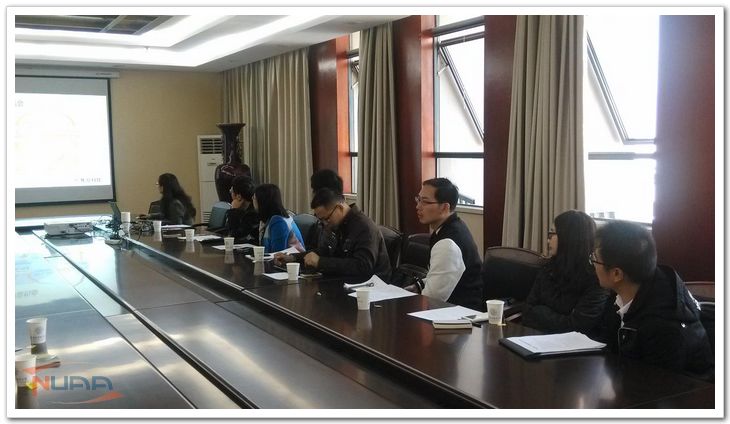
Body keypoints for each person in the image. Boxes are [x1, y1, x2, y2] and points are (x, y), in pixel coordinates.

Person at [592, 220, 713, 378]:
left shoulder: (663, 325)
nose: (592, 264)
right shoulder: (622, 293)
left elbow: (657, 385)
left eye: (595, 258)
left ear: (616, 274)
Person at [521, 210, 610, 335]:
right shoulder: (548, 268)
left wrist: (541, 311)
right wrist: (559, 318)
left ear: (569, 238)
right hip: (535, 338)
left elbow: (577, 327)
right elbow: (527, 312)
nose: (548, 240)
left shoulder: (596, 279)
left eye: (553, 234)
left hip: (574, 345)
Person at [274, 188, 391, 281]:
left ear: (339, 208)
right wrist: (293, 258)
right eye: (321, 220)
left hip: (369, 288)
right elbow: (325, 252)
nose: (325, 224)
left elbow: (363, 266)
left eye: (326, 219)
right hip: (342, 281)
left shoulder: (364, 228)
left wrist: (320, 262)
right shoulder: (338, 225)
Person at [408, 178, 482, 310]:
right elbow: (439, 277)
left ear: (444, 207)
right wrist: (417, 286)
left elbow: (431, 300)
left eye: (425, 202)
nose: (418, 206)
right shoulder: (451, 226)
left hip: (460, 314)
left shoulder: (448, 244)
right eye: (418, 199)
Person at [253, 184, 305, 253]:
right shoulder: (269, 219)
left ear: (262, 201)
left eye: (254, 198)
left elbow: (277, 254)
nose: (252, 200)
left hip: (293, 259)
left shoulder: (278, 222)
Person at [224, 175, 259, 242]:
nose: (230, 191)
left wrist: (234, 211)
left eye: (232, 190)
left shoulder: (252, 214)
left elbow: (234, 235)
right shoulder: (246, 208)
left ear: (239, 197)